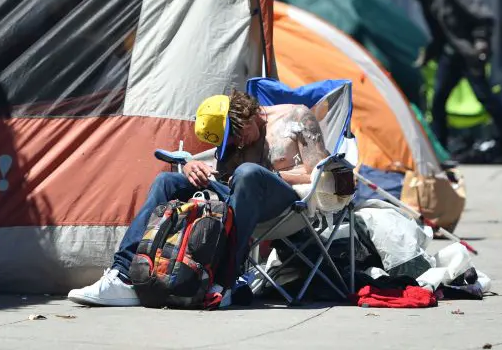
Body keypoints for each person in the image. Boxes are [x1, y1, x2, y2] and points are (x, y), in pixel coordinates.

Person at [66, 90, 330, 306]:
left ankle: (223, 282)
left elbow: (321, 173)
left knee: (249, 172)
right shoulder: (236, 144)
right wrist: (192, 165)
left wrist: (268, 174)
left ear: (246, 116)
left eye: (237, 136)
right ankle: (123, 275)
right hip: (241, 199)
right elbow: (225, 176)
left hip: (287, 203)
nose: (238, 144)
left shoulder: (296, 117)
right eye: (230, 142)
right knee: (167, 181)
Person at [398, 0, 502, 159]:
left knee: (485, 98)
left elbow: (482, 15)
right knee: (438, 102)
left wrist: (481, 41)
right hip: (451, 55)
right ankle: (439, 152)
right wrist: (428, 54)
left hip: (470, 54)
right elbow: (440, 34)